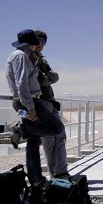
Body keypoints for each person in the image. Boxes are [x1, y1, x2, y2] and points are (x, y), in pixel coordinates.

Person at [5, 29, 65, 204]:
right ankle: (20, 128)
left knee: (33, 142)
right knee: (57, 128)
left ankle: (36, 180)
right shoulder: (21, 56)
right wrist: (30, 107)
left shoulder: (27, 56)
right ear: (31, 42)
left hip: (31, 101)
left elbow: (52, 77)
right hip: (31, 102)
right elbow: (22, 83)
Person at [33, 30, 69, 179]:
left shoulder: (42, 60)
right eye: (38, 40)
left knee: (60, 136)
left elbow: (54, 77)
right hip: (40, 102)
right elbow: (40, 80)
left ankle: (60, 171)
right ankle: (55, 172)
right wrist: (46, 76)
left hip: (50, 101)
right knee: (49, 139)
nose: (40, 44)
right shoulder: (30, 58)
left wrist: (46, 76)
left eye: (43, 41)